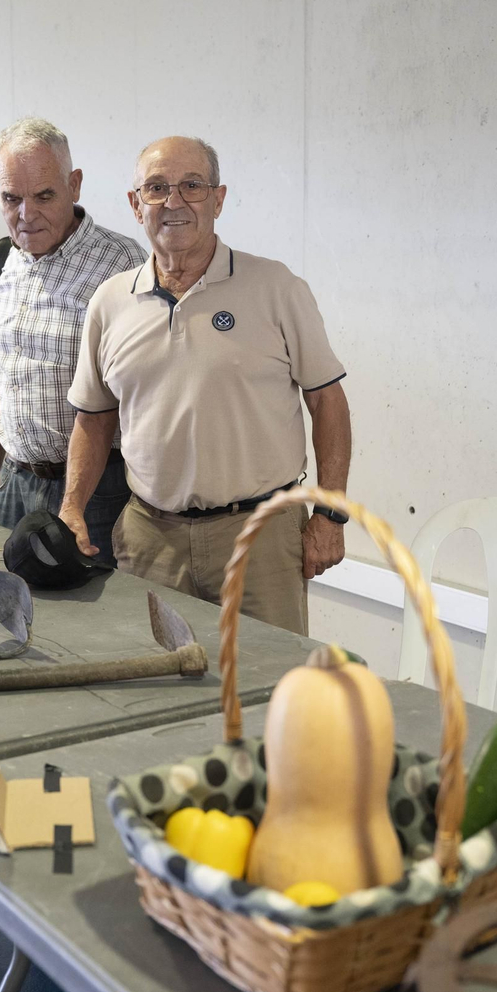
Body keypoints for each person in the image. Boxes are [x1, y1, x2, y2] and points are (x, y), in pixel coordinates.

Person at [59, 136, 352, 635]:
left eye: (191, 186)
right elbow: (93, 418)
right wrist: (72, 506)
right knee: (162, 689)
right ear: (135, 205)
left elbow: (328, 402)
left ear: (217, 199)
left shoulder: (276, 288)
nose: (174, 202)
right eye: (156, 188)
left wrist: (330, 514)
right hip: (149, 539)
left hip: (259, 539)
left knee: (267, 688)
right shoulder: (110, 303)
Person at [0, 117, 146, 566]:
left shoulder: (123, 264)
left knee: (99, 628)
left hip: (102, 491)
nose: (26, 214)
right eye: (11, 198)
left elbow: (141, 393)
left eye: (44, 196)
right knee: (16, 615)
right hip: (15, 484)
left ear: (74, 185)